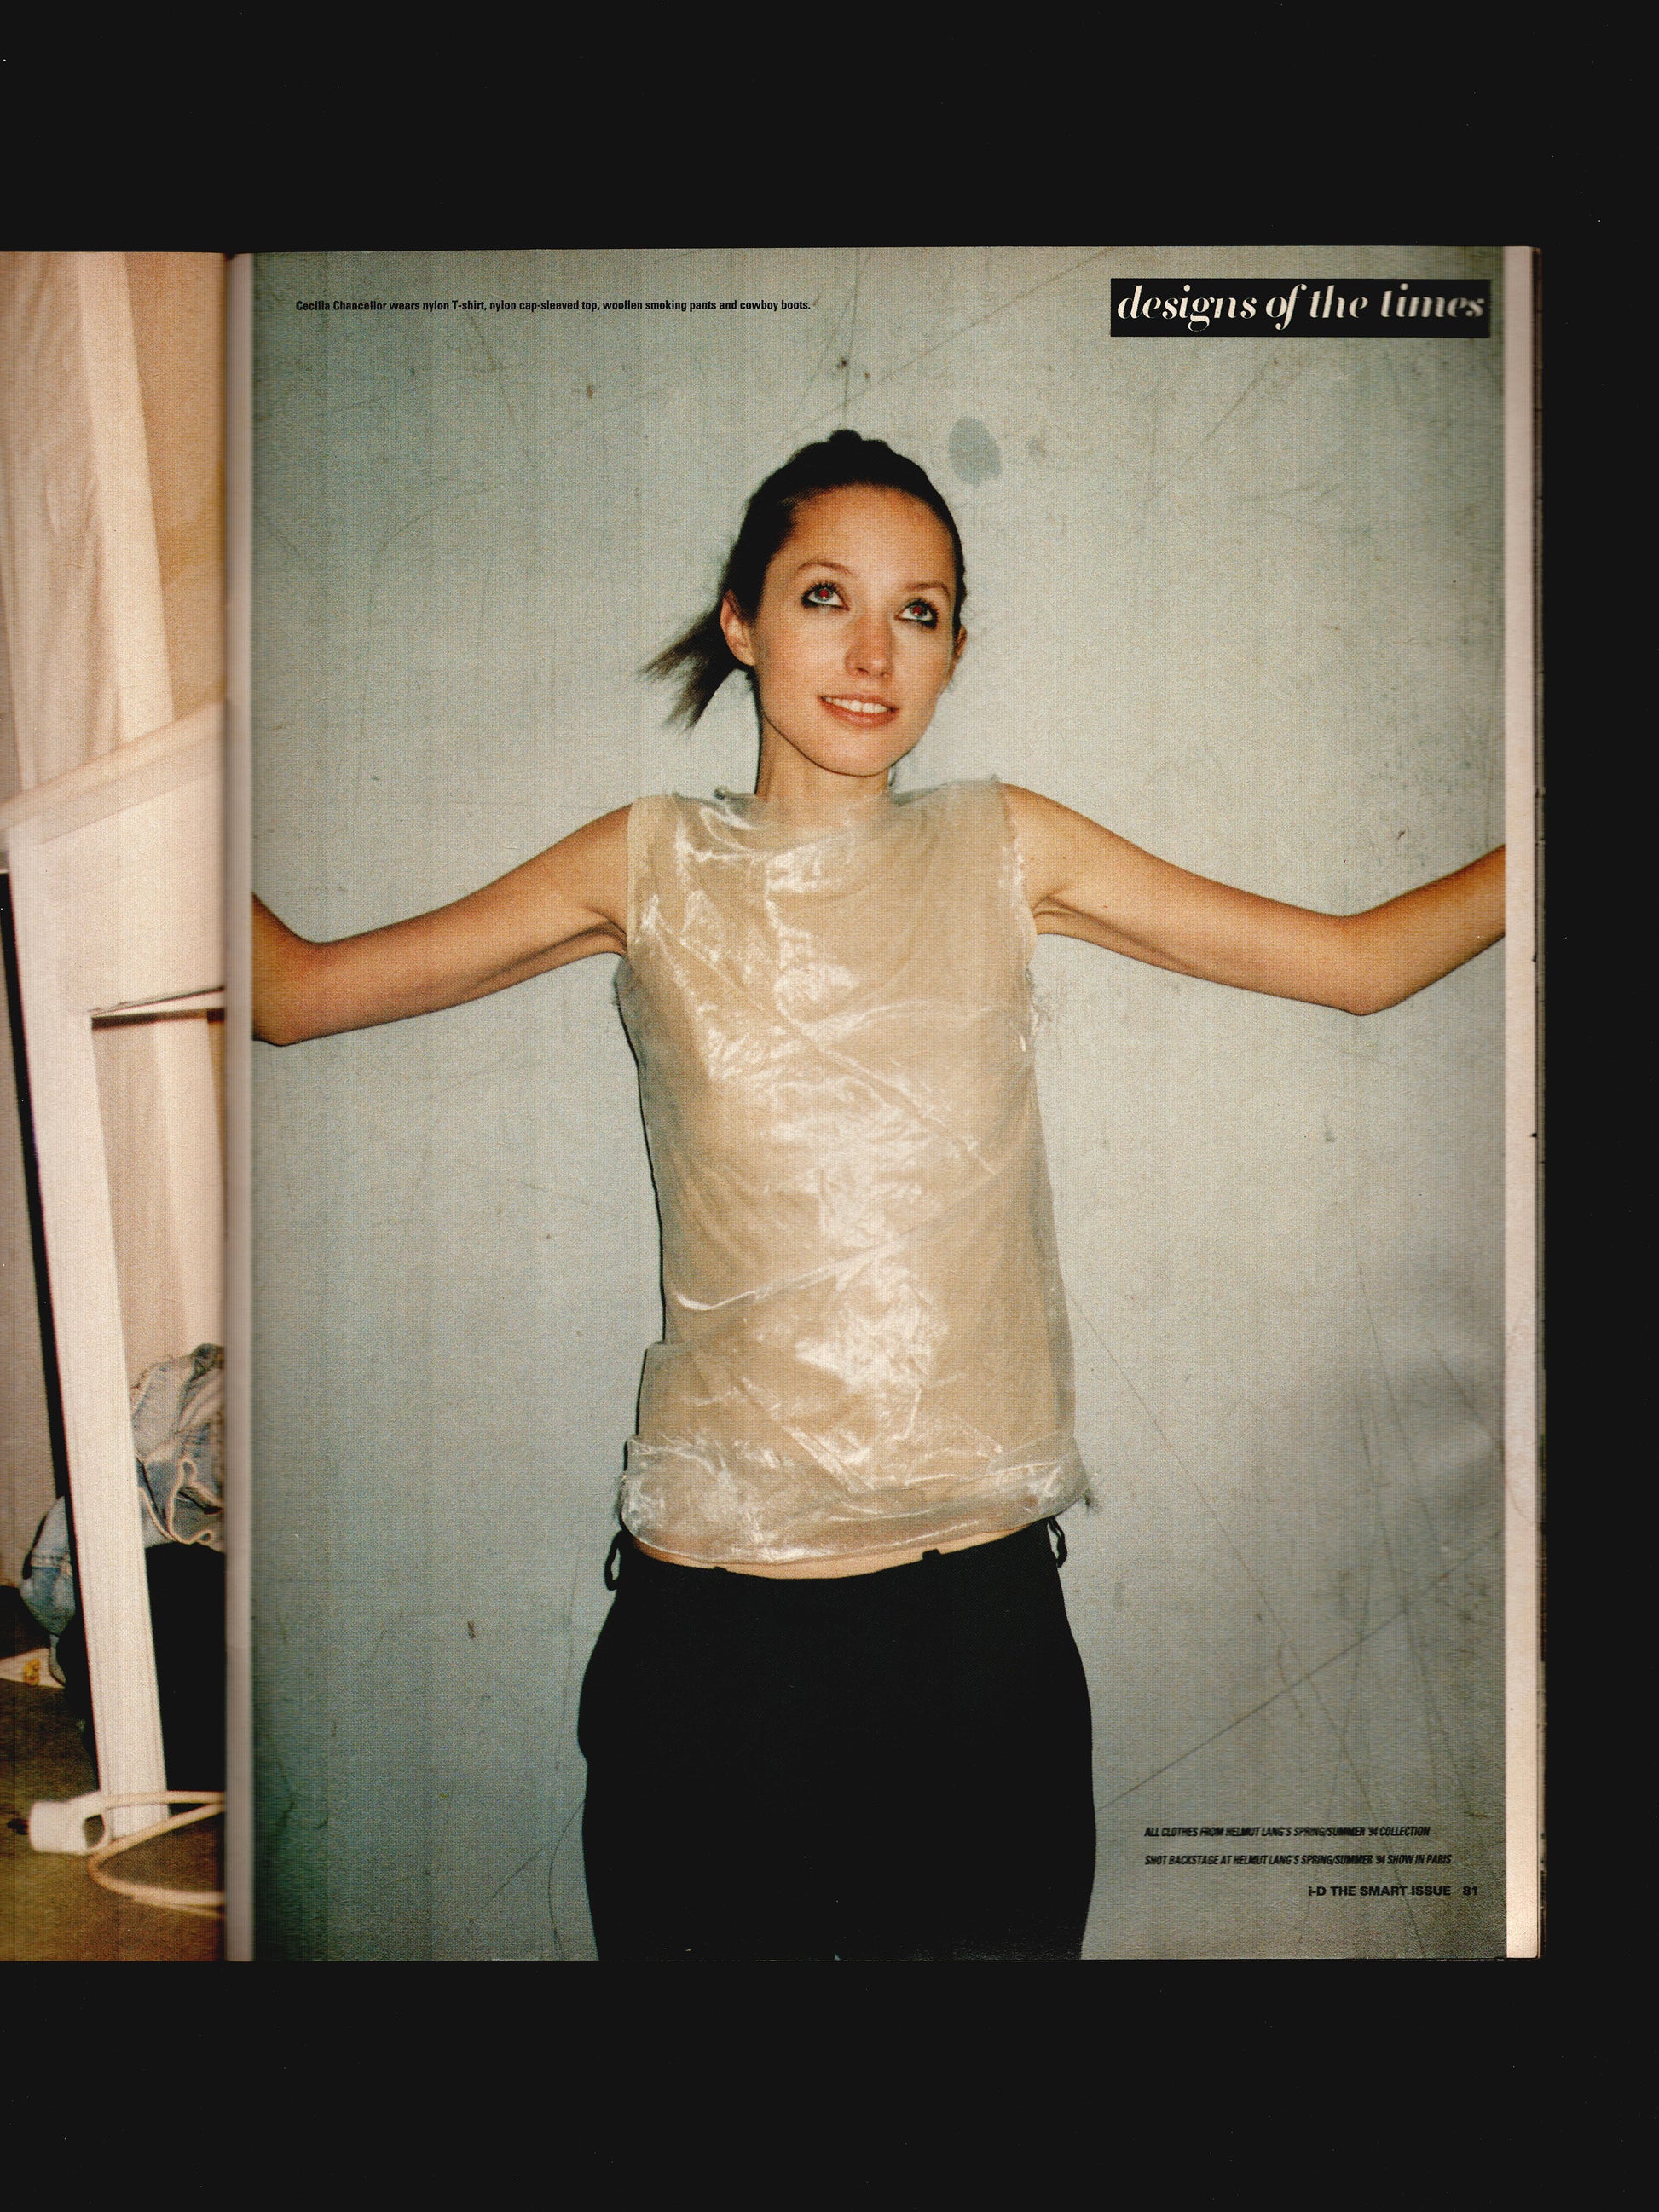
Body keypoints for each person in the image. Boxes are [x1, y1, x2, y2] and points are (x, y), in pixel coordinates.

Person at [252, 430, 1505, 1962]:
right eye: (823, 596)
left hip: (973, 1639)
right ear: (741, 619)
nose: (870, 653)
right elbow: (295, 994)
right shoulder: (644, 863)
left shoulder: (1005, 843)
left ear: (955, 650)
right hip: (714, 1652)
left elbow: (1359, 965)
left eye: (918, 613)